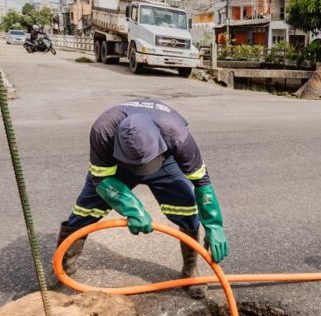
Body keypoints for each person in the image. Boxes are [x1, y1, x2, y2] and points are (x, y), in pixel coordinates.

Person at [57, 99, 229, 298]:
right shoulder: (102, 130)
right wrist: (132, 208)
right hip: (117, 168)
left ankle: (190, 270)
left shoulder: (176, 134)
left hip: (163, 161)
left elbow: (201, 181)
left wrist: (214, 225)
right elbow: (100, 179)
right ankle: (63, 266)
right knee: (85, 210)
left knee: (186, 208)